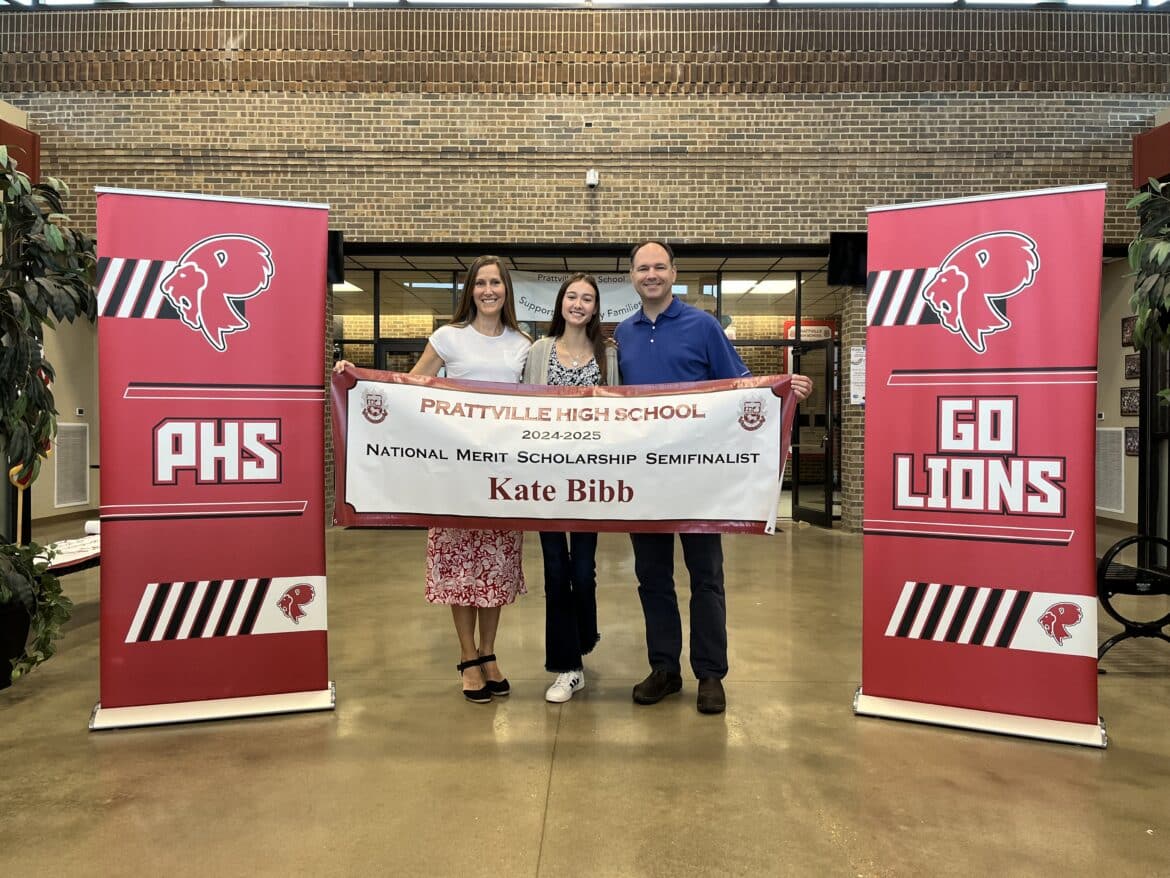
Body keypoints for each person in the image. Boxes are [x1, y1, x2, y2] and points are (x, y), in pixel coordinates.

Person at [614, 239, 813, 715]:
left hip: (699, 480)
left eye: (659, 267)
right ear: (632, 277)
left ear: (673, 272)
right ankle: (664, 668)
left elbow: (740, 385)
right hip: (645, 482)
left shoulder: (703, 326)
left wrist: (783, 389)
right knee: (652, 578)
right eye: (642, 268)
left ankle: (710, 674)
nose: (651, 275)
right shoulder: (622, 334)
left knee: (706, 577)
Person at [335, 255, 531, 703]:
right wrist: (357, 380)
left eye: (495, 283)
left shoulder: (521, 343)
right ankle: (467, 657)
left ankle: (489, 654)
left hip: (501, 477)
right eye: (480, 283)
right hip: (453, 477)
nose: (488, 291)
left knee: (495, 569)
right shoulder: (448, 337)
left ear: (506, 290)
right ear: (470, 290)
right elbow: (407, 385)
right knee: (459, 570)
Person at [521, 273, 619, 703]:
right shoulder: (538, 351)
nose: (579, 304)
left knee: (583, 570)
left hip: (591, 479)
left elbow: (622, 410)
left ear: (596, 308)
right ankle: (567, 666)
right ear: (560, 303)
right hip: (545, 477)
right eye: (572, 296)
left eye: (587, 298)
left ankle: (583, 635)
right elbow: (520, 406)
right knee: (556, 570)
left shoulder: (608, 353)